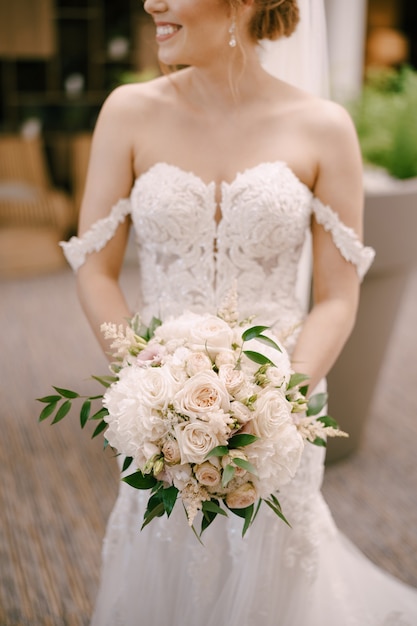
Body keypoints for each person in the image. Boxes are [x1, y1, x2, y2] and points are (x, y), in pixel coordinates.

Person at [61, 0, 417, 624]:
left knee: (270, 562)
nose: (152, 2)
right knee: (164, 547)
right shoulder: (129, 111)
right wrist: (143, 377)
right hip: (162, 406)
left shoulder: (324, 127)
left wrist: (278, 401)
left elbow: (337, 295)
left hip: (285, 402)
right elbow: (95, 266)